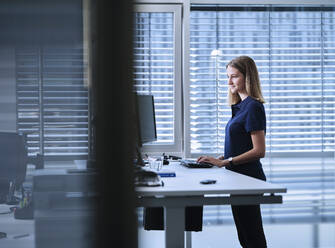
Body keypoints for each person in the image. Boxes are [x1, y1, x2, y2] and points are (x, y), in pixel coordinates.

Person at [197, 55, 267, 248]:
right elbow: (242, 143)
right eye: (228, 76)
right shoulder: (240, 106)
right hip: (238, 179)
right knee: (245, 237)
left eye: (234, 76)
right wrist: (221, 158)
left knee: (252, 238)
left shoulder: (253, 107)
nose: (229, 82)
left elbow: (259, 151)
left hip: (249, 179)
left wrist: (226, 162)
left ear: (248, 77)